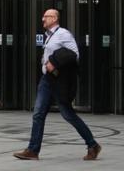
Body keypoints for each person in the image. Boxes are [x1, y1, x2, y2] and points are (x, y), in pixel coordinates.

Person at [14, 8, 102, 161]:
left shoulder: (63, 34)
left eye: (46, 17)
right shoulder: (48, 36)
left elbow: (75, 54)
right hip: (46, 79)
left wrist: (54, 62)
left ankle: (92, 144)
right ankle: (33, 150)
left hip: (59, 80)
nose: (43, 19)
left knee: (68, 115)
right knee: (38, 113)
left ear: (54, 18)